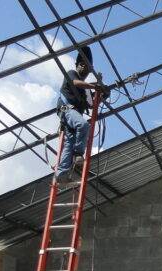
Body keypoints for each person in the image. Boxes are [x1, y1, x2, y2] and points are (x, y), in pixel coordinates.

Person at [56, 46, 106, 186]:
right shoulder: (72, 74)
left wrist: (102, 96)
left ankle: (61, 174)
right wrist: (94, 86)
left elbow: (91, 105)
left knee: (69, 144)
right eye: (82, 65)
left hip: (73, 116)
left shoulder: (85, 92)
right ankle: (78, 154)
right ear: (77, 65)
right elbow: (75, 83)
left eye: (87, 67)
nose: (84, 68)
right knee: (83, 125)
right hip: (67, 111)